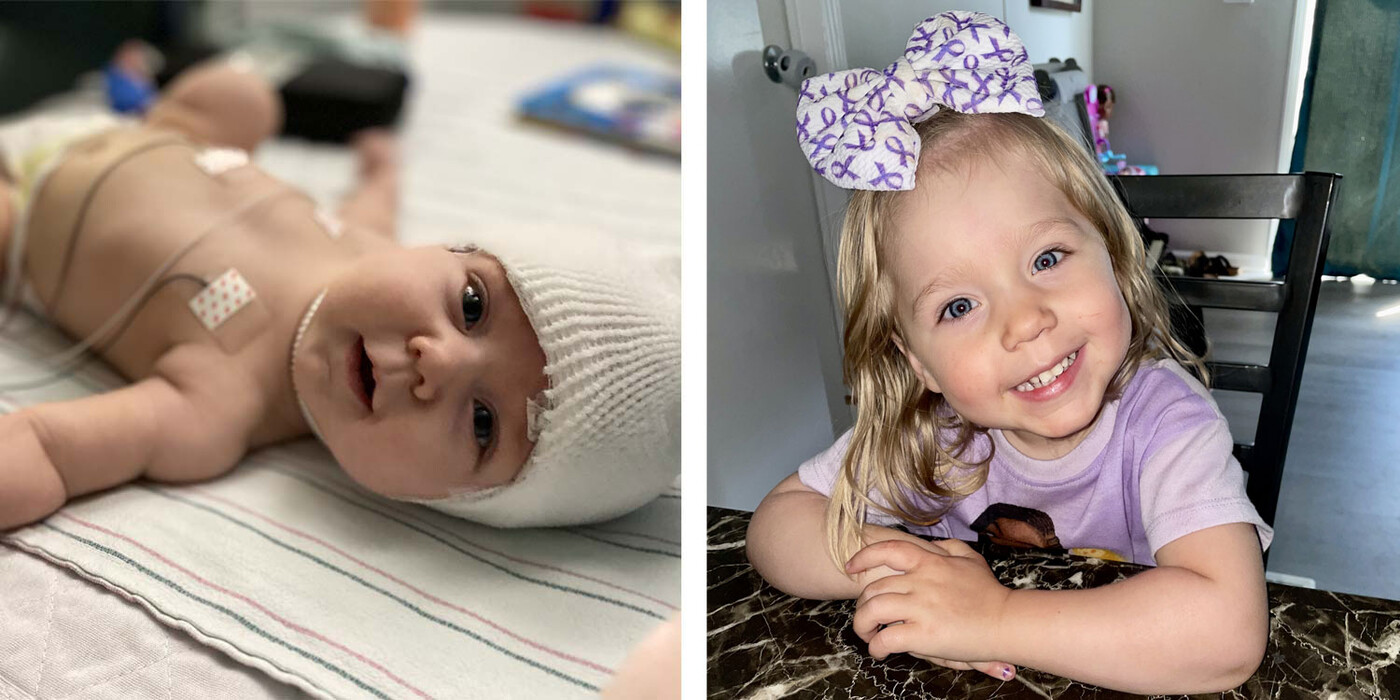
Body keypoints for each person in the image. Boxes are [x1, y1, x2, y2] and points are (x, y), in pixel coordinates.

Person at [747, 11, 1270, 694]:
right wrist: (913, 575)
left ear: (1115, 258)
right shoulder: (929, 433)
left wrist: (992, 617)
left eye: (1047, 257)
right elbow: (775, 527)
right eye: (958, 306)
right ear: (919, 364)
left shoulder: (1166, 419)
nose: (1025, 322)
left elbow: (1226, 635)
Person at [0, 58, 679, 531]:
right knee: (244, 97)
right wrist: (382, 171)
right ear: (448, 250)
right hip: (161, 136)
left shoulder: (218, 407)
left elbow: (47, 448)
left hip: (24, 216)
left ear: (451, 503)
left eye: (482, 424)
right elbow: (373, 209)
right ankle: (152, 91)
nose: (436, 363)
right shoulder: (367, 250)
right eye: (472, 307)